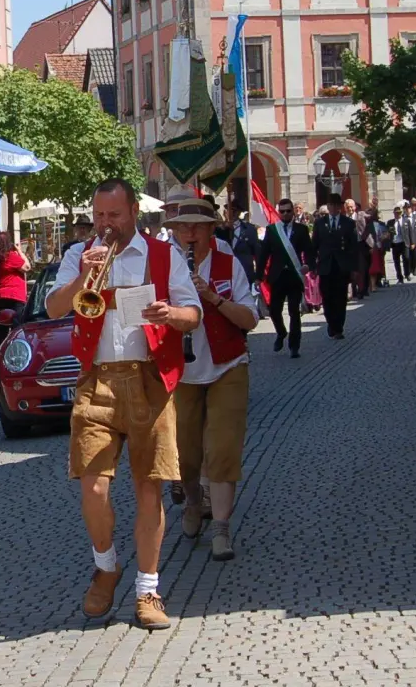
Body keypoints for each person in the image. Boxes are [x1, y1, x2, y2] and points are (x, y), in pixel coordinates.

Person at [45, 179, 201, 631]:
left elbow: (193, 314)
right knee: (92, 487)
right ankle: (106, 564)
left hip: (150, 379)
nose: (105, 225)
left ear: (133, 211)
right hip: (97, 381)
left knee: (149, 489)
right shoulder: (79, 255)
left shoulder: (163, 254)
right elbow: (55, 309)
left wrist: (171, 315)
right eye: (98, 216)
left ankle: (148, 589)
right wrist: (81, 276)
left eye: (113, 216)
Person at [166, 199, 257, 562]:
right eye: (183, 227)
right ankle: (192, 501)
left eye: (198, 227)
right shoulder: (165, 266)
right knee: (186, 456)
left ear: (210, 229)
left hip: (227, 366)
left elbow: (249, 319)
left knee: (222, 449)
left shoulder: (227, 263)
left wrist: (211, 297)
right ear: (174, 231)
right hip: (184, 372)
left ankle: (221, 528)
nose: (190, 233)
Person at [257, 198, 314, 359]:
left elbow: (309, 251)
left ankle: (294, 346)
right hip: (277, 276)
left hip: (294, 276)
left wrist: (309, 266)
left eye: (288, 211)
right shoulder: (272, 230)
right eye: (282, 211)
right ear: (278, 212)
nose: (285, 214)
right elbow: (264, 254)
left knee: (294, 311)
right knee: (274, 310)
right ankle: (281, 332)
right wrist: (258, 275)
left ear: (293, 212)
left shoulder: (301, 230)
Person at [313, 195, 357, 339]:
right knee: (326, 297)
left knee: (340, 297)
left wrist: (354, 268)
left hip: (341, 266)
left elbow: (353, 248)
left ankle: (338, 328)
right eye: (330, 204)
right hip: (325, 265)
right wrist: (312, 265)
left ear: (339, 207)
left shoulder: (348, 223)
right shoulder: (320, 223)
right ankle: (331, 323)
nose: (332, 207)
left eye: (335, 205)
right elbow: (314, 245)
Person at [0, 232, 30, 347]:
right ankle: (15, 352)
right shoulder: (10, 256)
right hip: (14, 295)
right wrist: (19, 251)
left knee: (1, 328)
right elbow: (27, 267)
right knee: (17, 327)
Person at [389, 202, 411, 284]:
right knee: (396, 261)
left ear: (401, 213)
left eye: (399, 213)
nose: (397, 215)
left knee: (406, 258)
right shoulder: (390, 222)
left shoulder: (406, 221)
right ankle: (399, 277)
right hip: (395, 244)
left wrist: (412, 242)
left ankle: (407, 274)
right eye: (396, 213)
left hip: (404, 243)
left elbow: (410, 232)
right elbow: (389, 233)